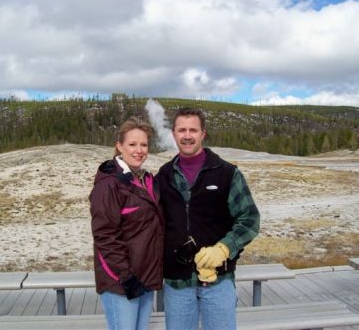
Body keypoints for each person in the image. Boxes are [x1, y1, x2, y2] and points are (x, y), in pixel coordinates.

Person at [156, 108, 260, 330]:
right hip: (177, 282)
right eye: (181, 130)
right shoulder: (162, 177)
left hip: (218, 281)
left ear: (203, 133)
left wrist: (224, 249)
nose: (187, 135)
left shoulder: (227, 173)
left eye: (193, 130)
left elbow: (250, 218)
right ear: (173, 134)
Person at [90, 117, 164, 330]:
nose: (139, 150)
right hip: (122, 283)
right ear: (119, 146)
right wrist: (126, 278)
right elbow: (104, 237)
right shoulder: (109, 185)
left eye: (143, 144)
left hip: (146, 279)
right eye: (132, 144)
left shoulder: (146, 181)